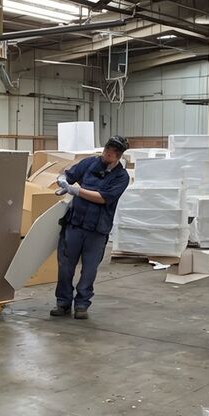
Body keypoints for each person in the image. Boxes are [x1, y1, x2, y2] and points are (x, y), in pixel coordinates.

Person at [51, 136, 130, 319]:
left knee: (89, 270)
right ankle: (62, 303)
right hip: (75, 225)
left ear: (118, 155)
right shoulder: (89, 164)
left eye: (112, 152)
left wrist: (76, 191)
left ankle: (81, 305)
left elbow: (104, 198)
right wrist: (63, 181)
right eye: (107, 149)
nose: (107, 154)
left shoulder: (121, 177)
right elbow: (69, 174)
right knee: (65, 267)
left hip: (97, 230)